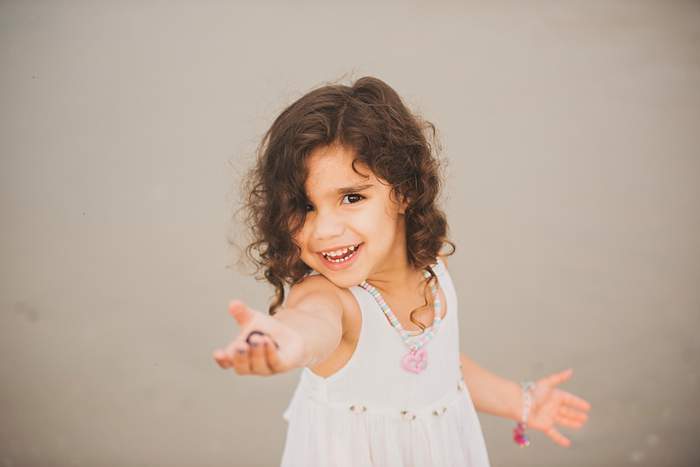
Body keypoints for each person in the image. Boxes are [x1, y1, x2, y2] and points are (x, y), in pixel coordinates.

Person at [213, 76, 591, 467]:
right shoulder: (329, 298)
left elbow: (438, 368)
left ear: (404, 191)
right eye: (305, 207)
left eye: (352, 197)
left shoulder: (433, 270)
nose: (325, 230)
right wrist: (283, 342)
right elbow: (309, 326)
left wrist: (518, 399)